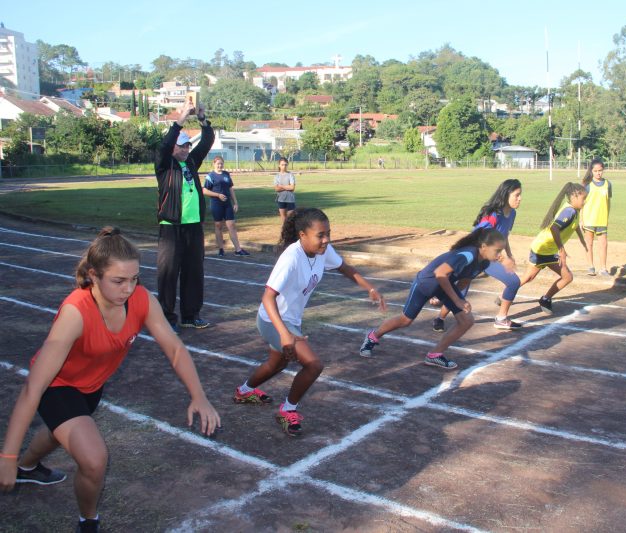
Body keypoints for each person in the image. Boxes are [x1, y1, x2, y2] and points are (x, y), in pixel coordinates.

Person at [0, 227, 220, 533]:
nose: (128, 288)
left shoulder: (140, 299)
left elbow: (174, 347)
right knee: (93, 459)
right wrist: (6, 456)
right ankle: (88, 520)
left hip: (91, 387)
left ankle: (27, 467)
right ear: (93, 275)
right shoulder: (75, 312)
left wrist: (199, 396)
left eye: (134, 279)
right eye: (118, 280)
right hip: (57, 386)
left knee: (57, 432)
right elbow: (32, 389)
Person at [233, 208, 385, 436]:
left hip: (291, 320)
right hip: (273, 320)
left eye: (328, 234)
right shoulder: (291, 258)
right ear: (302, 235)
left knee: (277, 364)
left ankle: (244, 391)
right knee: (314, 364)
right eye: (320, 235)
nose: (326, 240)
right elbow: (267, 297)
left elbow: (345, 268)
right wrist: (284, 333)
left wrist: (370, 288)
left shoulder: (323, 251)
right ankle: (287, 410)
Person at [359, 228, 507, 370]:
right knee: (406, 320)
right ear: (483, 246)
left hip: (444, 284)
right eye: (498, 250)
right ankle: (373, 336)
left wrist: (453, 299)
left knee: (467, 320)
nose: (500, 255)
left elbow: (464, 281)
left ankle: (435, 354)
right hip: (427, 282)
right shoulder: (467, 255)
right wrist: (456, 300)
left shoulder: (484, 262)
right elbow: (440, 273)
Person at [155, 99, 215, 333]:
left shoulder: (191, 163)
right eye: (181, 146)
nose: (186, 149)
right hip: (171, 226)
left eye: (188, 146)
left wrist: (202, 119)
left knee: (193, 273)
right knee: (169, 274)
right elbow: (164, 145)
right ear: (173, 148)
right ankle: (166, 318)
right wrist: (181, 119)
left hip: (193, 227)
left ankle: (190, 315)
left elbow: (207, 141)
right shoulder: (164, 165)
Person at [432, 179, 523, 332]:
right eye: (517, 195)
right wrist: (500, 258)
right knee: (461, 289)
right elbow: (478, 236)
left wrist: (509, 254)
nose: (520, 199)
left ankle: (501, 318)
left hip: (491, 258)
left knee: (513, 282)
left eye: (520, 195)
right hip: (477, 256)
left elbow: (504, 236)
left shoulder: (512, 213)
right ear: (506, 195)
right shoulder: (493, 214)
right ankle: (440, 318)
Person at [519, 183, 588, 315]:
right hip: (542, 248)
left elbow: (574, 226)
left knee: (567, 277)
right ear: (574, 197)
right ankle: (506, 294)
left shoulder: (575, 210)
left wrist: (581, 239)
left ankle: (545, 299)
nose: (584, 202)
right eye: (583, 199)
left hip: (549, 250)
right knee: (529, 277)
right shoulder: (570, 211)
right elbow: (554, 228)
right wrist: (561, 250)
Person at [203, 156, 250, 257]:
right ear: (214, 164)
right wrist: (218, 195)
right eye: (218, 163)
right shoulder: (210, 176)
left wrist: (235, 202)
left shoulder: (226, 174)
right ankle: (221, 249)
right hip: (216, 204)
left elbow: (230, 189)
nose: (220, 165)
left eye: (221, 163)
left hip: (227, 204)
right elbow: (205, 190)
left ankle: (238, 249)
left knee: (231, 225)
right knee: (218, 226)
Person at [581, 158, 612, 276]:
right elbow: (582, 203)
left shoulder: (608, 184)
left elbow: (608, 202)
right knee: (589, 243)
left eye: (600, 170)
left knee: (603, 244)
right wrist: (581, 219)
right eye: (595, 171)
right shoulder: (587, 185)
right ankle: (590, 266)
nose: (598, 173)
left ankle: (603, 268)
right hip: (589, 219)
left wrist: (607, 217)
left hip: (602, 219)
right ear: (591, 171)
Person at [274, 157, 296, 225]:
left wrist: (282, 186)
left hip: (290, 199)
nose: (284, 166)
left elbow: (292, 187)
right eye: (282, 164)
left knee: (291, 218)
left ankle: (292, 232)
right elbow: (276, 189)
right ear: (279, 165)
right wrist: (287, 186)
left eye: (286, 164)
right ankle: (285, 233)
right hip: (281, 199)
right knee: (283, 218)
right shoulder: (277, 176)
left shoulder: (290, 175)